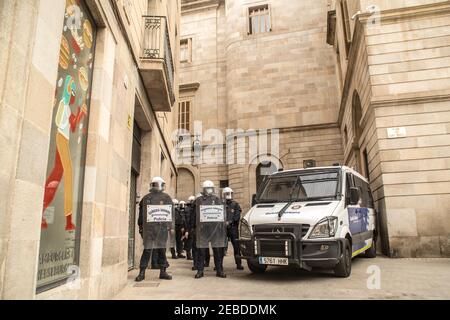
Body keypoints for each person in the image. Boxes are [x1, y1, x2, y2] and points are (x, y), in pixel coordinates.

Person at [135, 177, 173, 282]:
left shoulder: (166, 198)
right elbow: (141, 216)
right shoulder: (146, 198)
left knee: (161, 250)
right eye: (156, 184)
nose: (158, 186)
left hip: (162, 229)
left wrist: (170, 227)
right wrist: (141, 228)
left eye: (159, 184)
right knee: (147, 250)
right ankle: (142, 272)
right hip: (149, 230)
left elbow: (171, 214)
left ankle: (163, 272)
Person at [194, 181, 227, 279]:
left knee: (217, 250)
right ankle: (200, 271)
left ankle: (219, 270)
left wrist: (222, 225)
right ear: (203, 189)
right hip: (203, 229)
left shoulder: (217, 199)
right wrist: (192, 228)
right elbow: (193, 214)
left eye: (211, 188)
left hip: (215, 229)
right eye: (207, 188)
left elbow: (222, 213)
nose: (209, 190)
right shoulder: (198, 200)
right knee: (201, 251)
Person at [223, 187, 244, 270]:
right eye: (226, 194)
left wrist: (230, 222)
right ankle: (218, 265)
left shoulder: (235, 204)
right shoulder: (221, 204)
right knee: (221, 247)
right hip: (223, 228)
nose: (228, 195)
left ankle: (238, 264)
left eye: (229, 193)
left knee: (236, 247)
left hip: (233, 228)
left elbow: (237, 216)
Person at [184, 196, 196, 260]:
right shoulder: (188, 209)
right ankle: (188, 255)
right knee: (190, 241)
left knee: (191, 241)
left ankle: (190, 255)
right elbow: (187, 220)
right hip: (189, 227)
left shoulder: (191, 208)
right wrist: (187, 230)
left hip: (190, 227)